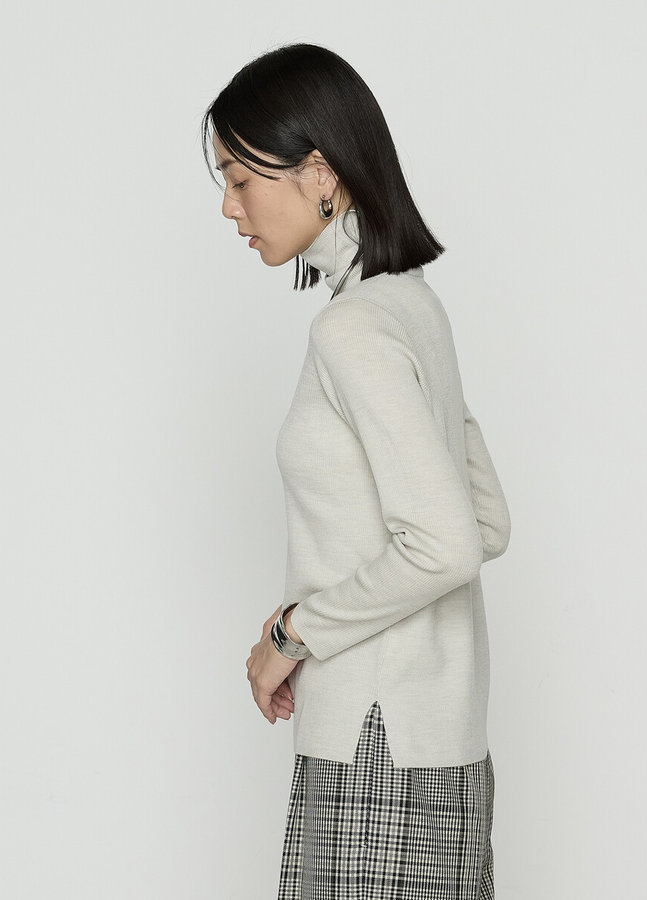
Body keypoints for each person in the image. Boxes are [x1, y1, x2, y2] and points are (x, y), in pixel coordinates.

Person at [201, 42, 511, 900]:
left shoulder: (354, 328)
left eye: (240, 178)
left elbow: (448, 544)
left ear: (319, 172)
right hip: (433, 746)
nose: (228, 206)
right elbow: (485, 522)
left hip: (375, 752)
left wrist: (291, 634)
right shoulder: (411, 306)